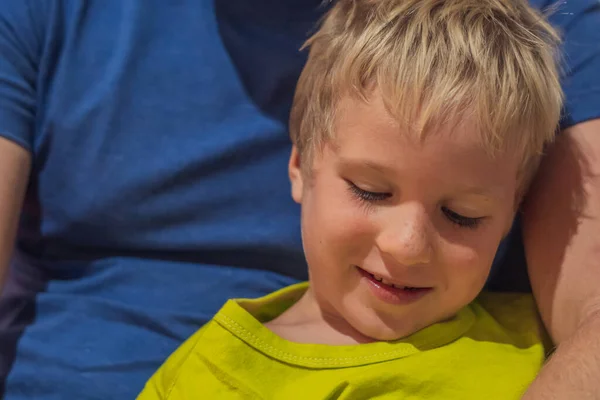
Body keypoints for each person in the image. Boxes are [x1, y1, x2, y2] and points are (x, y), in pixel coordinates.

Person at [0, 0, 598, 399]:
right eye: (369, 191)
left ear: (514, 207)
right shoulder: (207, 374)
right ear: (298, 166)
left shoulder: (540, 344)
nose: (408, 244)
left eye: (462, 215)